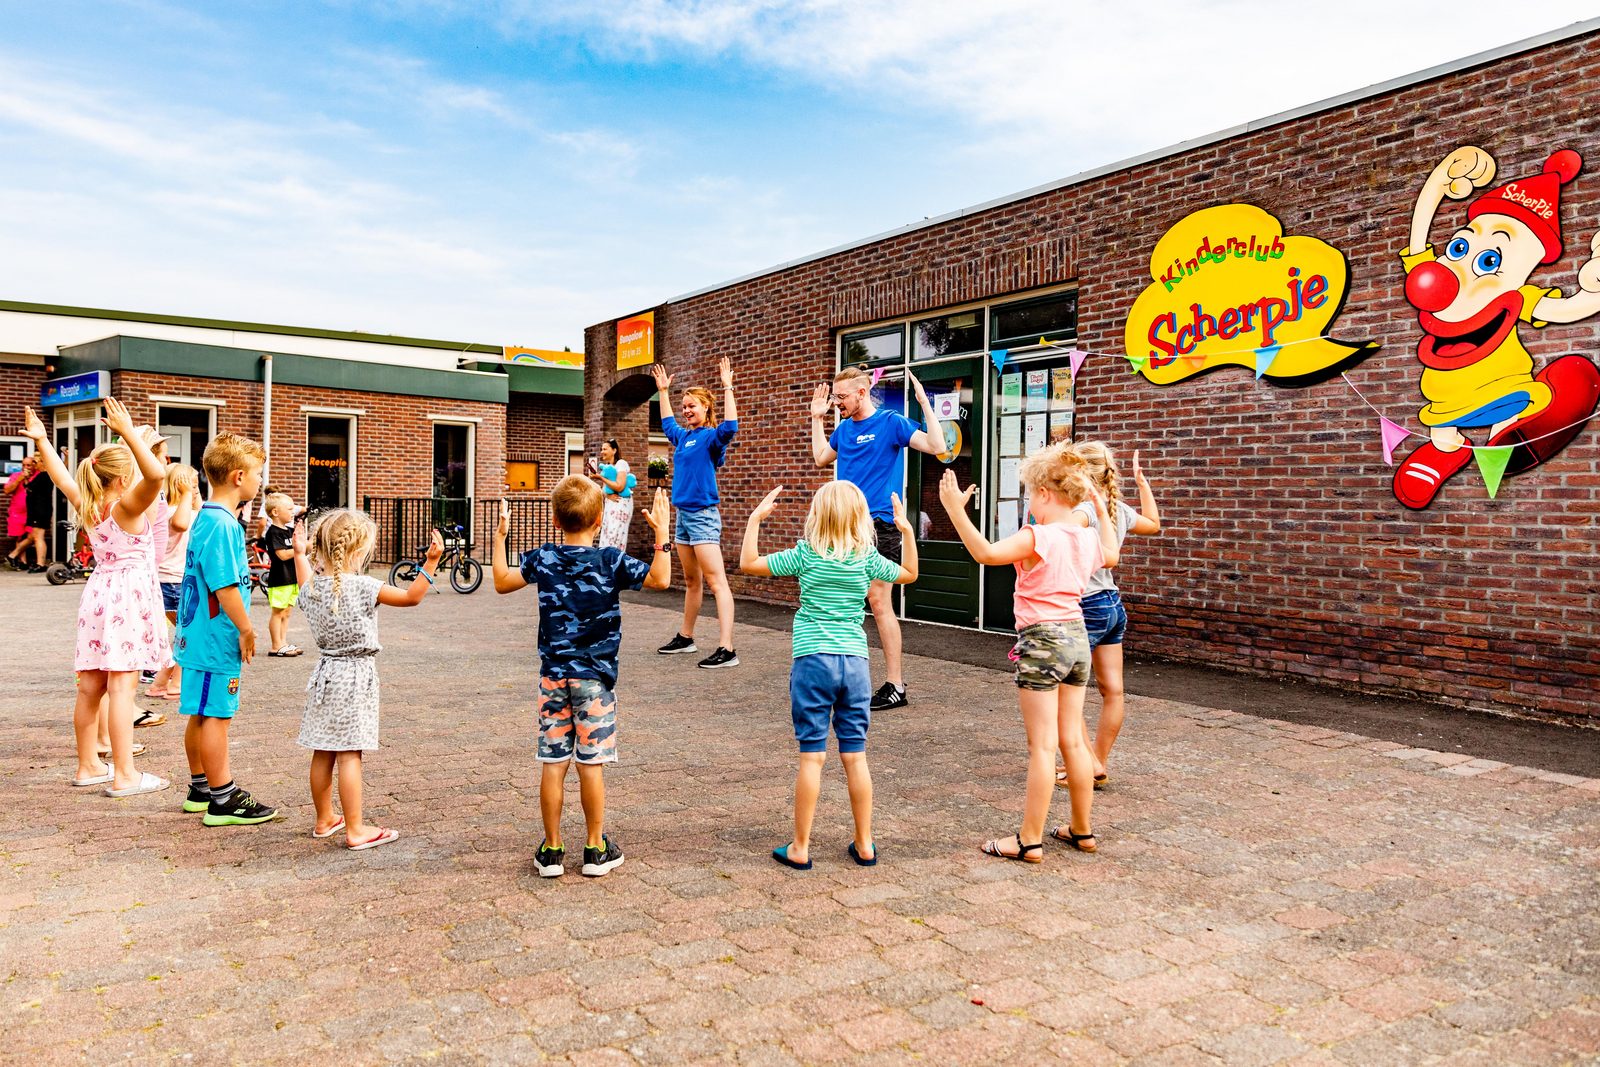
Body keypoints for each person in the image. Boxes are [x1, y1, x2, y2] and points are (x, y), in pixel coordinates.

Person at [937, 445, 1118, 862]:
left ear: (1045, 493)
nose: (1028, 502)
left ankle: (1028, 840)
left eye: (1029, 494)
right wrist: (1102, 512)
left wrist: (954, 509)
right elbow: (1112, 555)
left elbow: (985, 554)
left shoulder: (1038, 536)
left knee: (1041, 747)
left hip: (1042, 641)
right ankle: (1081, 830)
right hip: (1076, 639)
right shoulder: (1085, 536)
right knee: (1073, 740)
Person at [492, 477, 672, 878]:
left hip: (553, 678)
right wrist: (662, 534)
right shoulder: (611, 560)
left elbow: (502, 582)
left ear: (555, 519)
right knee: (591, 765)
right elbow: (661, 580)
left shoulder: (543, 558)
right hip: (595, 681)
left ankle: (552, 851)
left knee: (553, 764)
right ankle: (595, 848)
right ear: (600, 518)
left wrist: (500, 538)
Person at [739, 482, 918, 870]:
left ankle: (801, 847)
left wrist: (755, 519)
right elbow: (909, 574)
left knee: (812, 756)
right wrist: (905, 530)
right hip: (854, 663)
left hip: (812, 659)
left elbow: (749, 564)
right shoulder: (867, 558)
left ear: (816, 516)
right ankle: (865, 843)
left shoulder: (806, 554)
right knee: (855, 756)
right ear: (860, 519)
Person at [21, 400, 169, 795]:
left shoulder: (88, 504)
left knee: (90, 687)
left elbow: (59, 474)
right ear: (122, 480)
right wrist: (128, 435)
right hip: (127, 598)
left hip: (99, 595)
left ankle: (88, 765)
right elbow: (156, 475)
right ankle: (125, 774)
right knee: (123, 687)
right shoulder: (127, 507)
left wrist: (42, 441)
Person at [294, 511, 442, 850]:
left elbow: (304, 581)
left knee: (323, 750)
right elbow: (411, 596)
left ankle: (324, 819)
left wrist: (300, 554)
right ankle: (356, 828)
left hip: (324, 675)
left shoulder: (311, 589)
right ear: (356, 551)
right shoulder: (363, 586)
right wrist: (431, 561)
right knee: (349, 753)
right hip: (355, 675)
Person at [810, 366, 947, 711]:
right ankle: (845, 678)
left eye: (842, 397)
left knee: (878, 600)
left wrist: (923, 404)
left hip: (879, 525)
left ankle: (895, 684)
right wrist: (816, 418)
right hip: (845, 525)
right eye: (834, 397)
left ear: (861, 392)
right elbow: (820, 458)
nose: (837, 402)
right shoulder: (842, 430)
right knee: (843, 598)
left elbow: (937, 445)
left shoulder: (891, 422)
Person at [175, 431, 279, 826]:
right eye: (257, 475)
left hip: (198, 636)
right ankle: (223, 798)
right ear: (238, 476)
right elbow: (225, 585)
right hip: (215, 638)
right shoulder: (224, 526)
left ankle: (201, 787)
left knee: (201, 712)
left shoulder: (208, 517)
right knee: (217, 713)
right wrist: (247, 628)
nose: (259, 482)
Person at [1056, 443, 1161, 791]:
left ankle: (1084, 764)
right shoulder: (1118, 508)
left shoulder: (1084, 510)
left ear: (1080, 473)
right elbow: (1154, 524)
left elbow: (1057, 534)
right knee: (1112, 690)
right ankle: (1097, 762)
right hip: (1112, 604)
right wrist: (1143, 484)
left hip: (1085, 607)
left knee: (1067, 691)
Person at [650, 357, 740, 669]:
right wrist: (663, 392)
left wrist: (727, 386)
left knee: (717, 582)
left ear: (705, 409)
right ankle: (686, 637)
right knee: (691, 580)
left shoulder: (711, 437)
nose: (687, 410)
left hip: (703, 515)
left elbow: (731, 426)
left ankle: (727, 648)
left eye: (693, 406)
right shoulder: (684, 437)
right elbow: (666, 424)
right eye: (684, 405)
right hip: (684, 517)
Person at [148, 464, 201, 704]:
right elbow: (181, 524)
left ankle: (160, 683)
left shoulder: (172, 511)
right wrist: (189, 494)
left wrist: (194, 495)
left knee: (183, 633)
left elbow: (201, 517)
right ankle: (175, 684)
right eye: (193, 485)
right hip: (174, 583)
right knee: (188, 635)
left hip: (170, 582)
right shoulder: (173, 513)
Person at [259, 492, 304, 657]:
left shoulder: (289, 530)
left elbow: (301, 547)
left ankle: (283, 643)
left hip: (292, 578)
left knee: (287, 612)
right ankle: (275, 646)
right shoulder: (273, 532)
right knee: (278, 613)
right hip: (280, 579)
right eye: (289, 508)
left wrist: (309, 542)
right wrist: (300, 548)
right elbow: (282, 555)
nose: (293, 512)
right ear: (275, 512)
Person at [589, 439, 636, 551]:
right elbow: (605, 490)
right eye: (601, 449)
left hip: (620, 504)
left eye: (605, 449)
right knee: (606, 536)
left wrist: (600, 477)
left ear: (614, 450)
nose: (602, 451)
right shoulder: (607, 468)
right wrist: (607, 495)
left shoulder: (621, 464)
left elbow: (620, 486)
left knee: (615, 537)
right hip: (610, 505)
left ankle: (614, 564)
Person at [23, 446, 55, 571]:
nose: (34, 465)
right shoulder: (41, 476)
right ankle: (15, 556)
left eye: (36, 462)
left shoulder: (45, 476)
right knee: (34, 536)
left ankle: (40, 563)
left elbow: (31, 490)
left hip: (41, 511)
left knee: (38, 537)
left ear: (42, 462)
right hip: (38, 510)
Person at [5, 455, 38, 570]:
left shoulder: (37, 476)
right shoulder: (15, 476)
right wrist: (19, 479)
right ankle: (22, 562)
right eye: (23, 465)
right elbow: (7, 490)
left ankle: (13, 555)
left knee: (32, 536)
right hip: (17, 512)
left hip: (32, 512)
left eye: (28, 465)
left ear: (34, 465)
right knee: (19, 537)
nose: (26, 467)